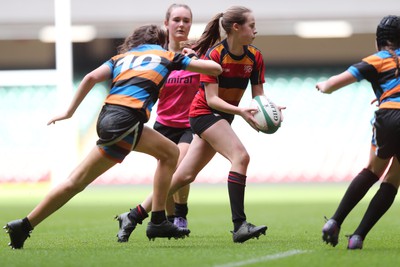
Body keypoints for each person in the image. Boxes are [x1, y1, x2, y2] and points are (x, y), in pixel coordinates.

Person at [3, 24, 222, 249]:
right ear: (160, 41)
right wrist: (192, 55)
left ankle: (24, 225)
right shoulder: (166, 56)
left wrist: (69, 112)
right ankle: (157, 220)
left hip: (108, 119)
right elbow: (215, 69)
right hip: (128, 119)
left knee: (75, 182)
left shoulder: (121, 58)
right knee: (171, 153)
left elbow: (89, 77)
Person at [117, 5, 285, 244]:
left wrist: (270, 108)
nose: (255, 30)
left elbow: (258, 95)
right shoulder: (215, 55)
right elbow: (211, 99)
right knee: (241, 157)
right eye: (252, 25)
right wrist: (241, 111)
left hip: (223, 116)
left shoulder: (255, 57)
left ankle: (133, 216)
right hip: (204, 113)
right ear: (236, 28)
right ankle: (240, 226)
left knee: (183, 175)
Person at [115, 4, 198, 242]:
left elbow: (212, 78)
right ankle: (170, 220)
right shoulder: (157, 57)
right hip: (163, 123)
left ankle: (172, 214)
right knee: (170, 173)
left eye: (186, 20)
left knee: (180, 167)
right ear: (167, 23)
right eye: (177, 20)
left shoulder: (196, 55)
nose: (181, 25)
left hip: (189, 124)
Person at [317, 15, 400, 250]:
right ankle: (358, 237)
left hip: (388, 115)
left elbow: (334, 84)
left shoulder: (375, 60)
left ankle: (335, 221)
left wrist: (323, 86)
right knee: (393, 180)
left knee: (373, 170)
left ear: (378, 41)